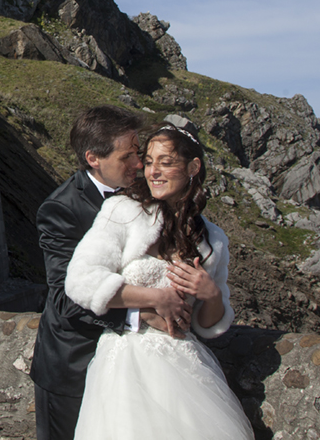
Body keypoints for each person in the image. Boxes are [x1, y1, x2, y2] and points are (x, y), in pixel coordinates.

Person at [65, 123, 255, 439]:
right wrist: (154, 298)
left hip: (185, 365)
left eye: (165, 162)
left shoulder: (214, 240)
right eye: (149, 161)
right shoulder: (122, 210)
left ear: (193, 167)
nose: (153, 171)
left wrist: (211, 295)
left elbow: (207, 325)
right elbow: (81, 281)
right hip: (128, 362)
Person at [29, 106, 191, 440]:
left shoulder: (146, 194)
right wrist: (142, 314)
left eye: (139, 154)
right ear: (94, 159)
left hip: (135, 369)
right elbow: (64, 298)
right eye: (128, 157)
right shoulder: (61, 210)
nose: (139, 165)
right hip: (74, 366)